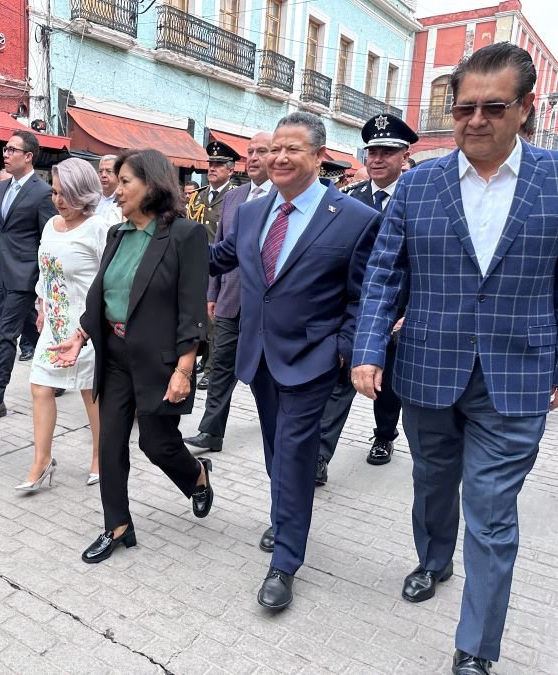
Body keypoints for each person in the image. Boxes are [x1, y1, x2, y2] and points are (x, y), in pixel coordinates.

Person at [351, 43, 556, 675]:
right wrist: (368, 349)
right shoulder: (418, 185)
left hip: (517, 375)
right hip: (428, 368)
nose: (476, 120)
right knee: (432, 482)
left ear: (525, 108)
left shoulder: (554, 180)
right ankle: (434, 559)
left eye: (494, 107)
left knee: (491, 513)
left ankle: (476, 648)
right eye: (464, 107)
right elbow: (384, 274)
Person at [209, 112, 380, 610]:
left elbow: (363, 295)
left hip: (313, 360)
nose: (279, 158)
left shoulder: (354, 218)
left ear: (319, 156)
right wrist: (162, 231)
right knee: (276, 452)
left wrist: (343, 349)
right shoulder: (251, 213)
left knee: (293, 452)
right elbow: (219, 258)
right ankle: (286, 513)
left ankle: (285, 560)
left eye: (293, 149)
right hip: (260, 356)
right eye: (273, 149)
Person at [49, 149, 214, 564]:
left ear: (152, 184)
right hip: (115, 354)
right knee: (110, 443)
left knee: (157, 445)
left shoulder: (185, 235)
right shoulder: (117, 234)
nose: (116, 189)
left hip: (160, 360)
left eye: (125, 182)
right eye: (116, 181)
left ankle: (196, 475)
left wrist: (184, 370)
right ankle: (117, 526)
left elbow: (192, 309)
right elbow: (103, 294)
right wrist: (81, 335)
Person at [316, 113, 418, 486]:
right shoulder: (349, 198)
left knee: (387, 385)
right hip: (354, 308)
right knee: (340, 381)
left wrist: (410, 311)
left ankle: (384, 435)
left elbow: (423, 264)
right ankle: (319, 456)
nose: (376, 159)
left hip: (398, 310)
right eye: (372, 152)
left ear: (404, 156)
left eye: (386, 152)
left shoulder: (418, 199)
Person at [17, 158, 108, 492]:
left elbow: (109, 278)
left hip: (87, 327)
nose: (58, 200)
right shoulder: (50, 225)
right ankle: (42, 461)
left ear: (83, 192)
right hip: (54, 325)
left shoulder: (99, 227)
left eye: (66, 193)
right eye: (54, 192)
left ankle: (100, 457)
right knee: (40, 386)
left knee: (90, 393)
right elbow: (45, 271)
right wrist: (41, 304)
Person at [184, 130, 273, 453]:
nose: (253, 158)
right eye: (250, 152)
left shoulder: (282, 198)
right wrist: (212, 293)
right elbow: (220, 247)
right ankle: (211, 431)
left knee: (265, 373)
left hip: (267, 306)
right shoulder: (235, 198)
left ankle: (276, 426)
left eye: (261, 151)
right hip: (231, 300)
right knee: (221, 366)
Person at [0, 130, 57, 421]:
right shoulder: (0, 189)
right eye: (5, 149)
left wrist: (43, 284)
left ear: (28, 156)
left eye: (12, 150)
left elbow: (48, 239)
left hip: (26, 275)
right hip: (0, 272)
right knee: (35, 328)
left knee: (6, 335)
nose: (6, 154)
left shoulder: (42, 192)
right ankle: (58, 368)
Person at [187, 141, 240, 389]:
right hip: (197, 263)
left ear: (231, 170)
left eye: (219, 164)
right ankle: (202, 357)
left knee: (215, 318)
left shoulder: (235, 197)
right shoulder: (198, 196)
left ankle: (212, 367)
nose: (213, 168)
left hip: (220, 265)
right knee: (198, 314)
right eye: (211, 164)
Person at [95, 154, 122, 224]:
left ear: (119, 174)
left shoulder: (123, 199)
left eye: (109, 171)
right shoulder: (92, 198)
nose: (103, 175)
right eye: (100, 171)